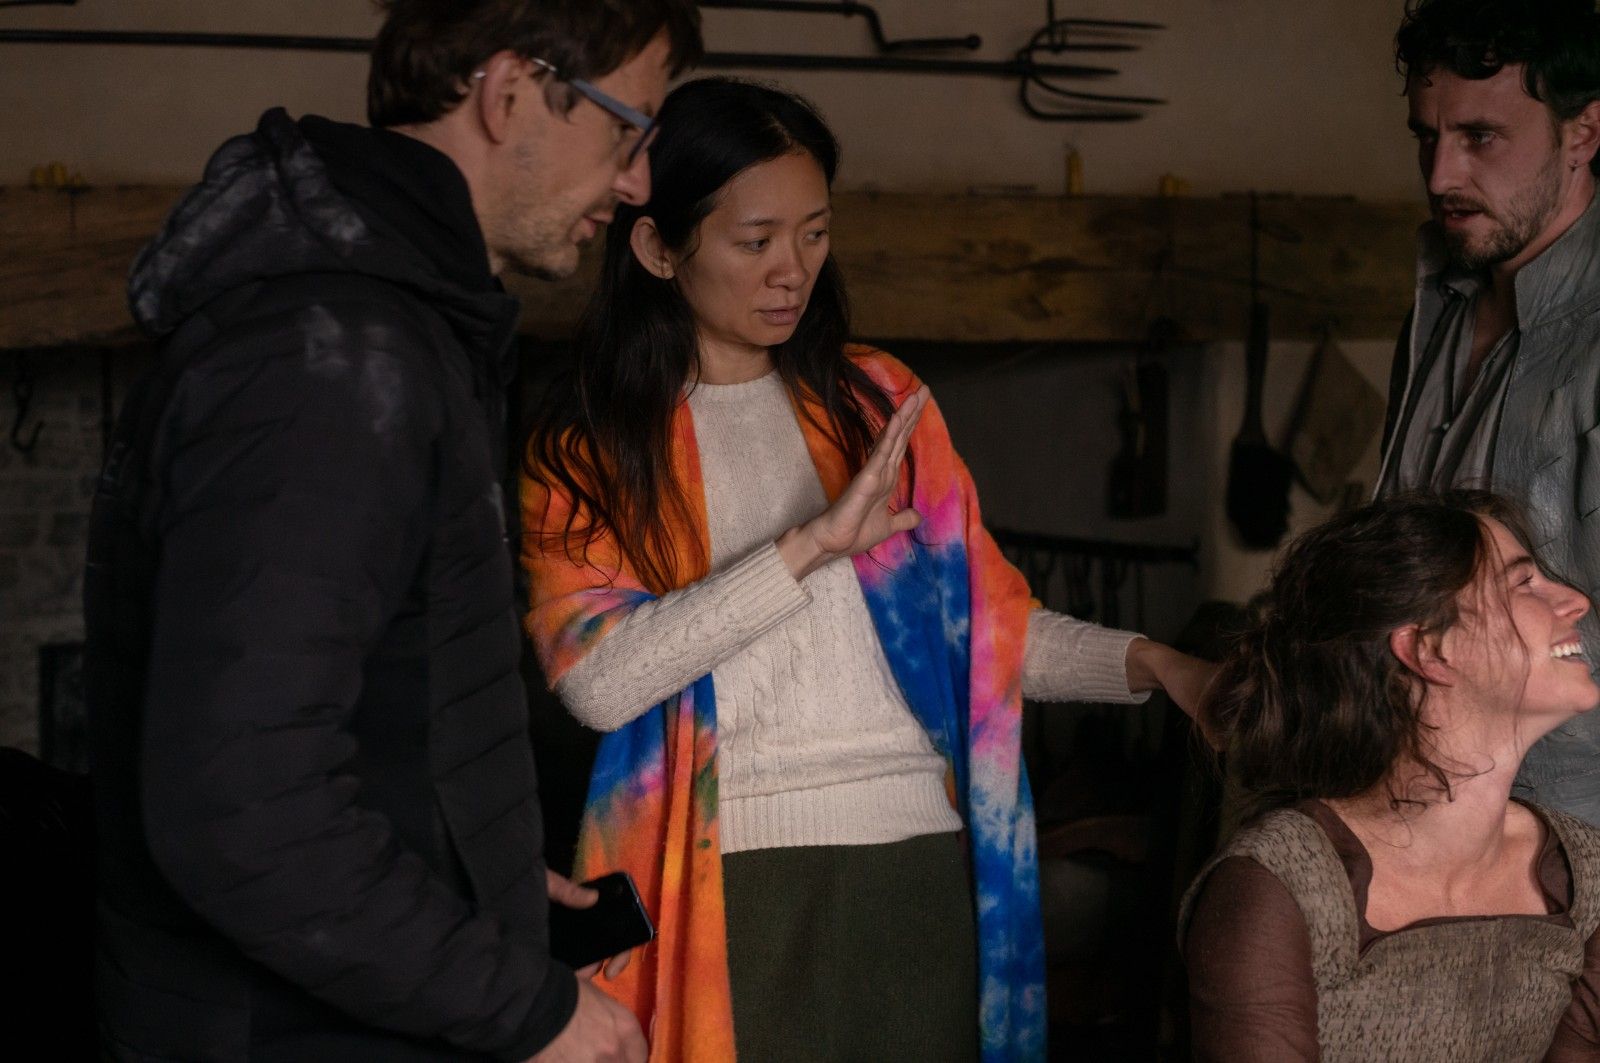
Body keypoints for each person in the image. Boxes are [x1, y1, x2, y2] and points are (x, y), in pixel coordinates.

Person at [519, 77, 1215, 1062]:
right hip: (731, 883)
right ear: (658, 248)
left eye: (814, 233)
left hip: (913, 872)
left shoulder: (878, 403)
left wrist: (1158, 665)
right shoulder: (591, 448)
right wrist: (808, 546)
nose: (791, 271)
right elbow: (598, 681)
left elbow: (986, 634)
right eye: (755, 241)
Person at [83, 2, 701, 1059]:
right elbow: (242, 808)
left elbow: (370, 698)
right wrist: (528, 1007)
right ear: (510, 93)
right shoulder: (329, 359)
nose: (639, 180)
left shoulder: (401, 329)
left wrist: (473, 867)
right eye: (625, 128)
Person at [1182, 490, 1600, 1062]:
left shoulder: (1585, 876)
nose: (1576, 601)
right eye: (1523, 584)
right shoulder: (1279, 885)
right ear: (1429, 650)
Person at [1376, 0, 1600, 823]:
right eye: (1427, 137)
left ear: (1583, 133)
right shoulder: (1440, 301)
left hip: (1571, 825)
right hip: (1421, 798)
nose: (1440, 176)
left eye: (1481, 137)